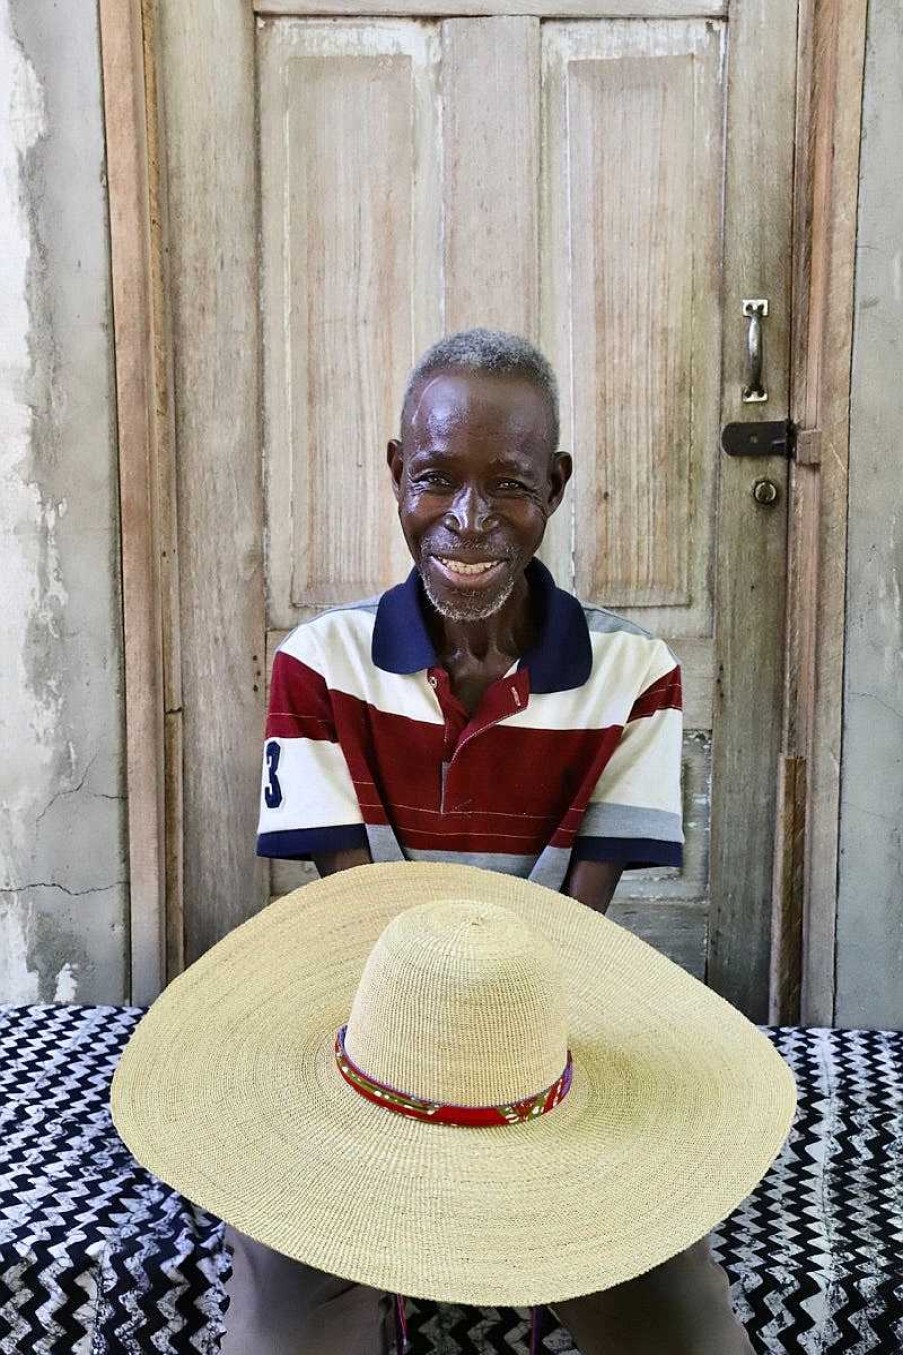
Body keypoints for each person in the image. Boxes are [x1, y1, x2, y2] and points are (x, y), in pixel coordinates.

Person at [239, 327, 752, 1353]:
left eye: (509, 485)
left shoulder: (632, 673)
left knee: (673, 1311)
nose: (469, 521)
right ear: (396, 475)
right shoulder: (319, 664)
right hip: (365, 1036)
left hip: (536, 1037)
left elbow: (575, 934)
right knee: (290, 1306)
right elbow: (352, 917)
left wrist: (502, 1112)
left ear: (554, 487)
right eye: (435, 477)